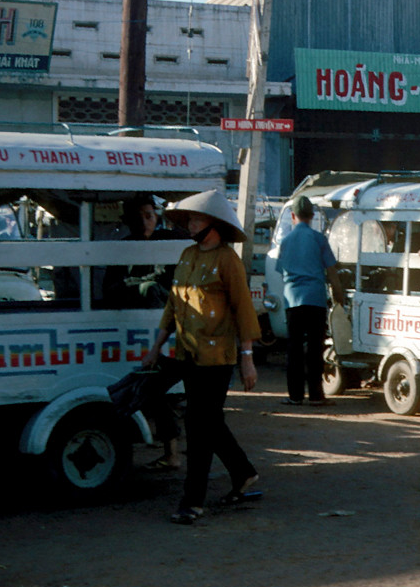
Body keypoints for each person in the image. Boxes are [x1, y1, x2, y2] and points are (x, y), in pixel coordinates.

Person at [144, 189, 262, 525]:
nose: (191, 223)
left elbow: (244, 311)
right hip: (187, 353)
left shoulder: (228, 260)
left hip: (218, 359)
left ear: (214, 224)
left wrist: (247, 357)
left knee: (198, 427)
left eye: (196, 218)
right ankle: (243, 474)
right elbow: (173, 305)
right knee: (208, 422)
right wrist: (156, 347)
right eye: (190, 218)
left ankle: (192, 502)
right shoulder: (187, 254)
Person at [105, 193, 189, 470]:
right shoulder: (123, 249)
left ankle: (172, 452)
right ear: (126, 220)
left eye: (149, 215)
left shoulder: (169, 243)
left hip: (165, 334)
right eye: (138, 217)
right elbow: (110, 290)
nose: (144, 222)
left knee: (157, 390)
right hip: (131, 334)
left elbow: (170, 288)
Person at [275, 194, 345, 406]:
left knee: (294, 349)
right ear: (312, 216)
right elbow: (332, 273)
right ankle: (316, 395)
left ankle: (295, 396)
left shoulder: (285, 242)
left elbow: (281, 271)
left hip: (293, 301)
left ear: (293, 215)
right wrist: (339, 297)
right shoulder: (319, 239)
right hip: (315, 300)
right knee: (315, 349)